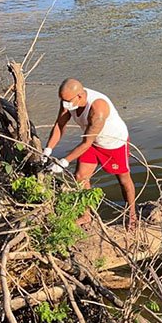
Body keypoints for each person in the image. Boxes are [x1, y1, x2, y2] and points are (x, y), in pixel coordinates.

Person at [43, 78, 137, 229]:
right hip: (92, 142)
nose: (64, 104)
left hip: (113, 143)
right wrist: (48, 149)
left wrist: (63, 162)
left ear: (79, 96)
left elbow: (86, 142)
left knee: (123, 179)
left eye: (67, 100)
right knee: (80, 176)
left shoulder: (98, 109)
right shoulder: (69, 100)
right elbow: (60, 125)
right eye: (62, 100)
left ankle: (132, 215)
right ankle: (86, 215)